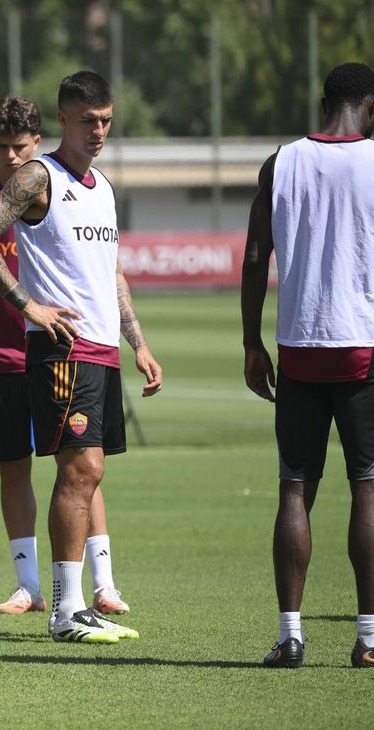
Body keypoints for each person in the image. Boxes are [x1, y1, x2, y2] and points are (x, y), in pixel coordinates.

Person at [0, 72, 163, 644]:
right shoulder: (37, 177)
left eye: (106, 120)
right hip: (61, 350)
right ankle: (66, 610)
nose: (99, 131)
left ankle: (76, 606)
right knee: (81, 470)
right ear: (64, 119)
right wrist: (28, 304)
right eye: (88, 121)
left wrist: (139, 343)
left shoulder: (103, 187)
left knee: (90, 472)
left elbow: (112, 271)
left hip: (102, 348)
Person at [241, 61, 374, 670]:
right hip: (363, 349)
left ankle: (290, 636)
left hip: (298, 347)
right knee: (367, 488)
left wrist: (251, 343)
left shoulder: (282, 161)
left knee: (295, 489)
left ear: (325, 102)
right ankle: (369, 638)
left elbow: (252, 257)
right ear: (368, 105)